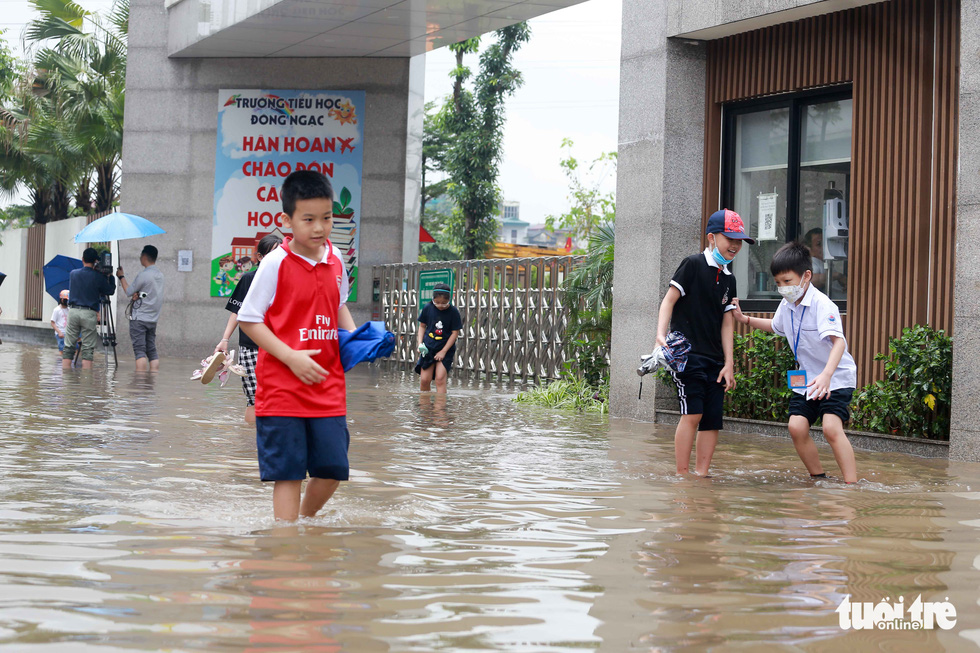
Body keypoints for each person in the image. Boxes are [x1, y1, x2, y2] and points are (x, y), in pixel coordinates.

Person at [237, 169, 356, 522]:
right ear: (287, 220)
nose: (319, 228)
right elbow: (249, 318)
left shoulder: (336, 261)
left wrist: (357, 341)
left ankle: (304, 521)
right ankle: (286, 547)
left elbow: (338, 307)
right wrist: (290, 356)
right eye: (309, 219)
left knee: (334, 468)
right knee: (288, 472)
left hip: (327, 384)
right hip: (282, 387)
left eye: (326, 218)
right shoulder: (275, 263)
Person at [732, 241, 858, 483]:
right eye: (778, 283)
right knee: (796, 427)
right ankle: (818, 478)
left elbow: (839, 342)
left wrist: (827, 375)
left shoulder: (823, 305)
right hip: (807, 379)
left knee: (832, 428)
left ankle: (851, 486)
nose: (783, 288)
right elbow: (776, 326)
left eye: (787, 281)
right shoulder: (787, 304)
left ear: (806, 276)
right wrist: (744, 318)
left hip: (835, 378)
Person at [655, 209, 754, 476]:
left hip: (715, 360)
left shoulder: (729, 279)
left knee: (712, 421)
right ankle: (682, 475)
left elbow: (726, 322)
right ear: (712, 237)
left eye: (739, 240)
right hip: (687, 355)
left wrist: (729, 363)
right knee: (693, 414)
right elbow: (669, 300)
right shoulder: (693, 264)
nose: (735, 245)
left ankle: (702, 476)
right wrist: (660, 336)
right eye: (728, 238)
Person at [214, 233, 283, 424]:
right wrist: (225, 339)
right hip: (251, 347)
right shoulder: (248, 279)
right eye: (273, 254)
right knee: (254, 399)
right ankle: (248, 445)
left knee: (277, 399)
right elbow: (236, 312)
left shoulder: (287, 280)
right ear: (260, 257)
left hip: (279, 347)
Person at [62, 247, 116, 370]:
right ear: (96, 261)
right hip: (89, 313)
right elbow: (110, 290)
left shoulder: (73, 274)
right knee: (87, 349)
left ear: (82, 259)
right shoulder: (98, 276)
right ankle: (87, 382)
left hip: (73, 311)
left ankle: (66, 378)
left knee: (69, 346)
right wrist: (110, 276)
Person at [116, 245, 165, 371]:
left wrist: (121, 276)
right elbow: (148, 293)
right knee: (152, 351)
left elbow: (128, 291)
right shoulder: (160, 276)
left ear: (144, 257)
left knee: (140, 351)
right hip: (153, 319)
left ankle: (141, 384)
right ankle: (152, 380)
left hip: (139, 318)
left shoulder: (143, 275)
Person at [415, 282, 462, 393]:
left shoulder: (453, 312)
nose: (440, 305)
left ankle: (440, 408)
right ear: (433, 299)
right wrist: (420, 344)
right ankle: (425, 407)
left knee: (440, 379)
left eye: (444, 303)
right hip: (428, 347)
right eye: (437, 302)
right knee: (425, 380)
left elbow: (455, 333)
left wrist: (443, 351)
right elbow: (422, 326)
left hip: (445, 348)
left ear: (449, 300)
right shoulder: (428, 307)